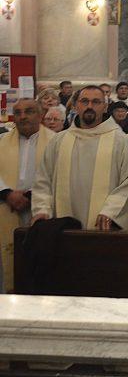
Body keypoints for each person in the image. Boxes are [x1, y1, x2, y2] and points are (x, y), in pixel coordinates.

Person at [32, 86, 128, 230]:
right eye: (84, 101)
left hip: (105, 226)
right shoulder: (59, 141)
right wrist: (42, 209)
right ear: (75, 106)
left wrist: (110, 210)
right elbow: (43, 179)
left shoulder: (120, 141)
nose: (89, 106)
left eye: (96, 102)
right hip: (62, 229)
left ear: (105, 107)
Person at [0, 99, 54, 291]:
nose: (23, 117)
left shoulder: (56, 141)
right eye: (18, 112)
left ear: (40, 115)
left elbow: (58, 175)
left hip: (41, 208)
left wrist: (30, 196)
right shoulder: (2, 142)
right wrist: (7, 194)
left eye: (29, 111)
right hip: (7, 206)